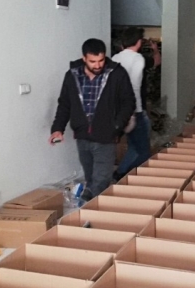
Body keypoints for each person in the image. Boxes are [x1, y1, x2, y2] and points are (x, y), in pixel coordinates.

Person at [50, 38, 135, 200]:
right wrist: (57, 128)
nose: (97, 65)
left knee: (100, 181)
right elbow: (65, 104)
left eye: (101, 60)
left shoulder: (117, 73)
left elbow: (128, 102)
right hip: (82, 136)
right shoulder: (72, 75)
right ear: (84, 58)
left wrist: (116, 126)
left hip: (106, 136)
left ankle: (92, 207)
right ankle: (94, 205)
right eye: (92, 61)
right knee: (90, 179)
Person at [111, 28, 153, 180]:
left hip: (119, 110)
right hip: (134, 110)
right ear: (139, 42)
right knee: (143, 151)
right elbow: (134, 86)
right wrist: (134, 112)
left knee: (134, 146)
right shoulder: (137, 59)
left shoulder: (114, 58)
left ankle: (120, 173)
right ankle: (134, 179)